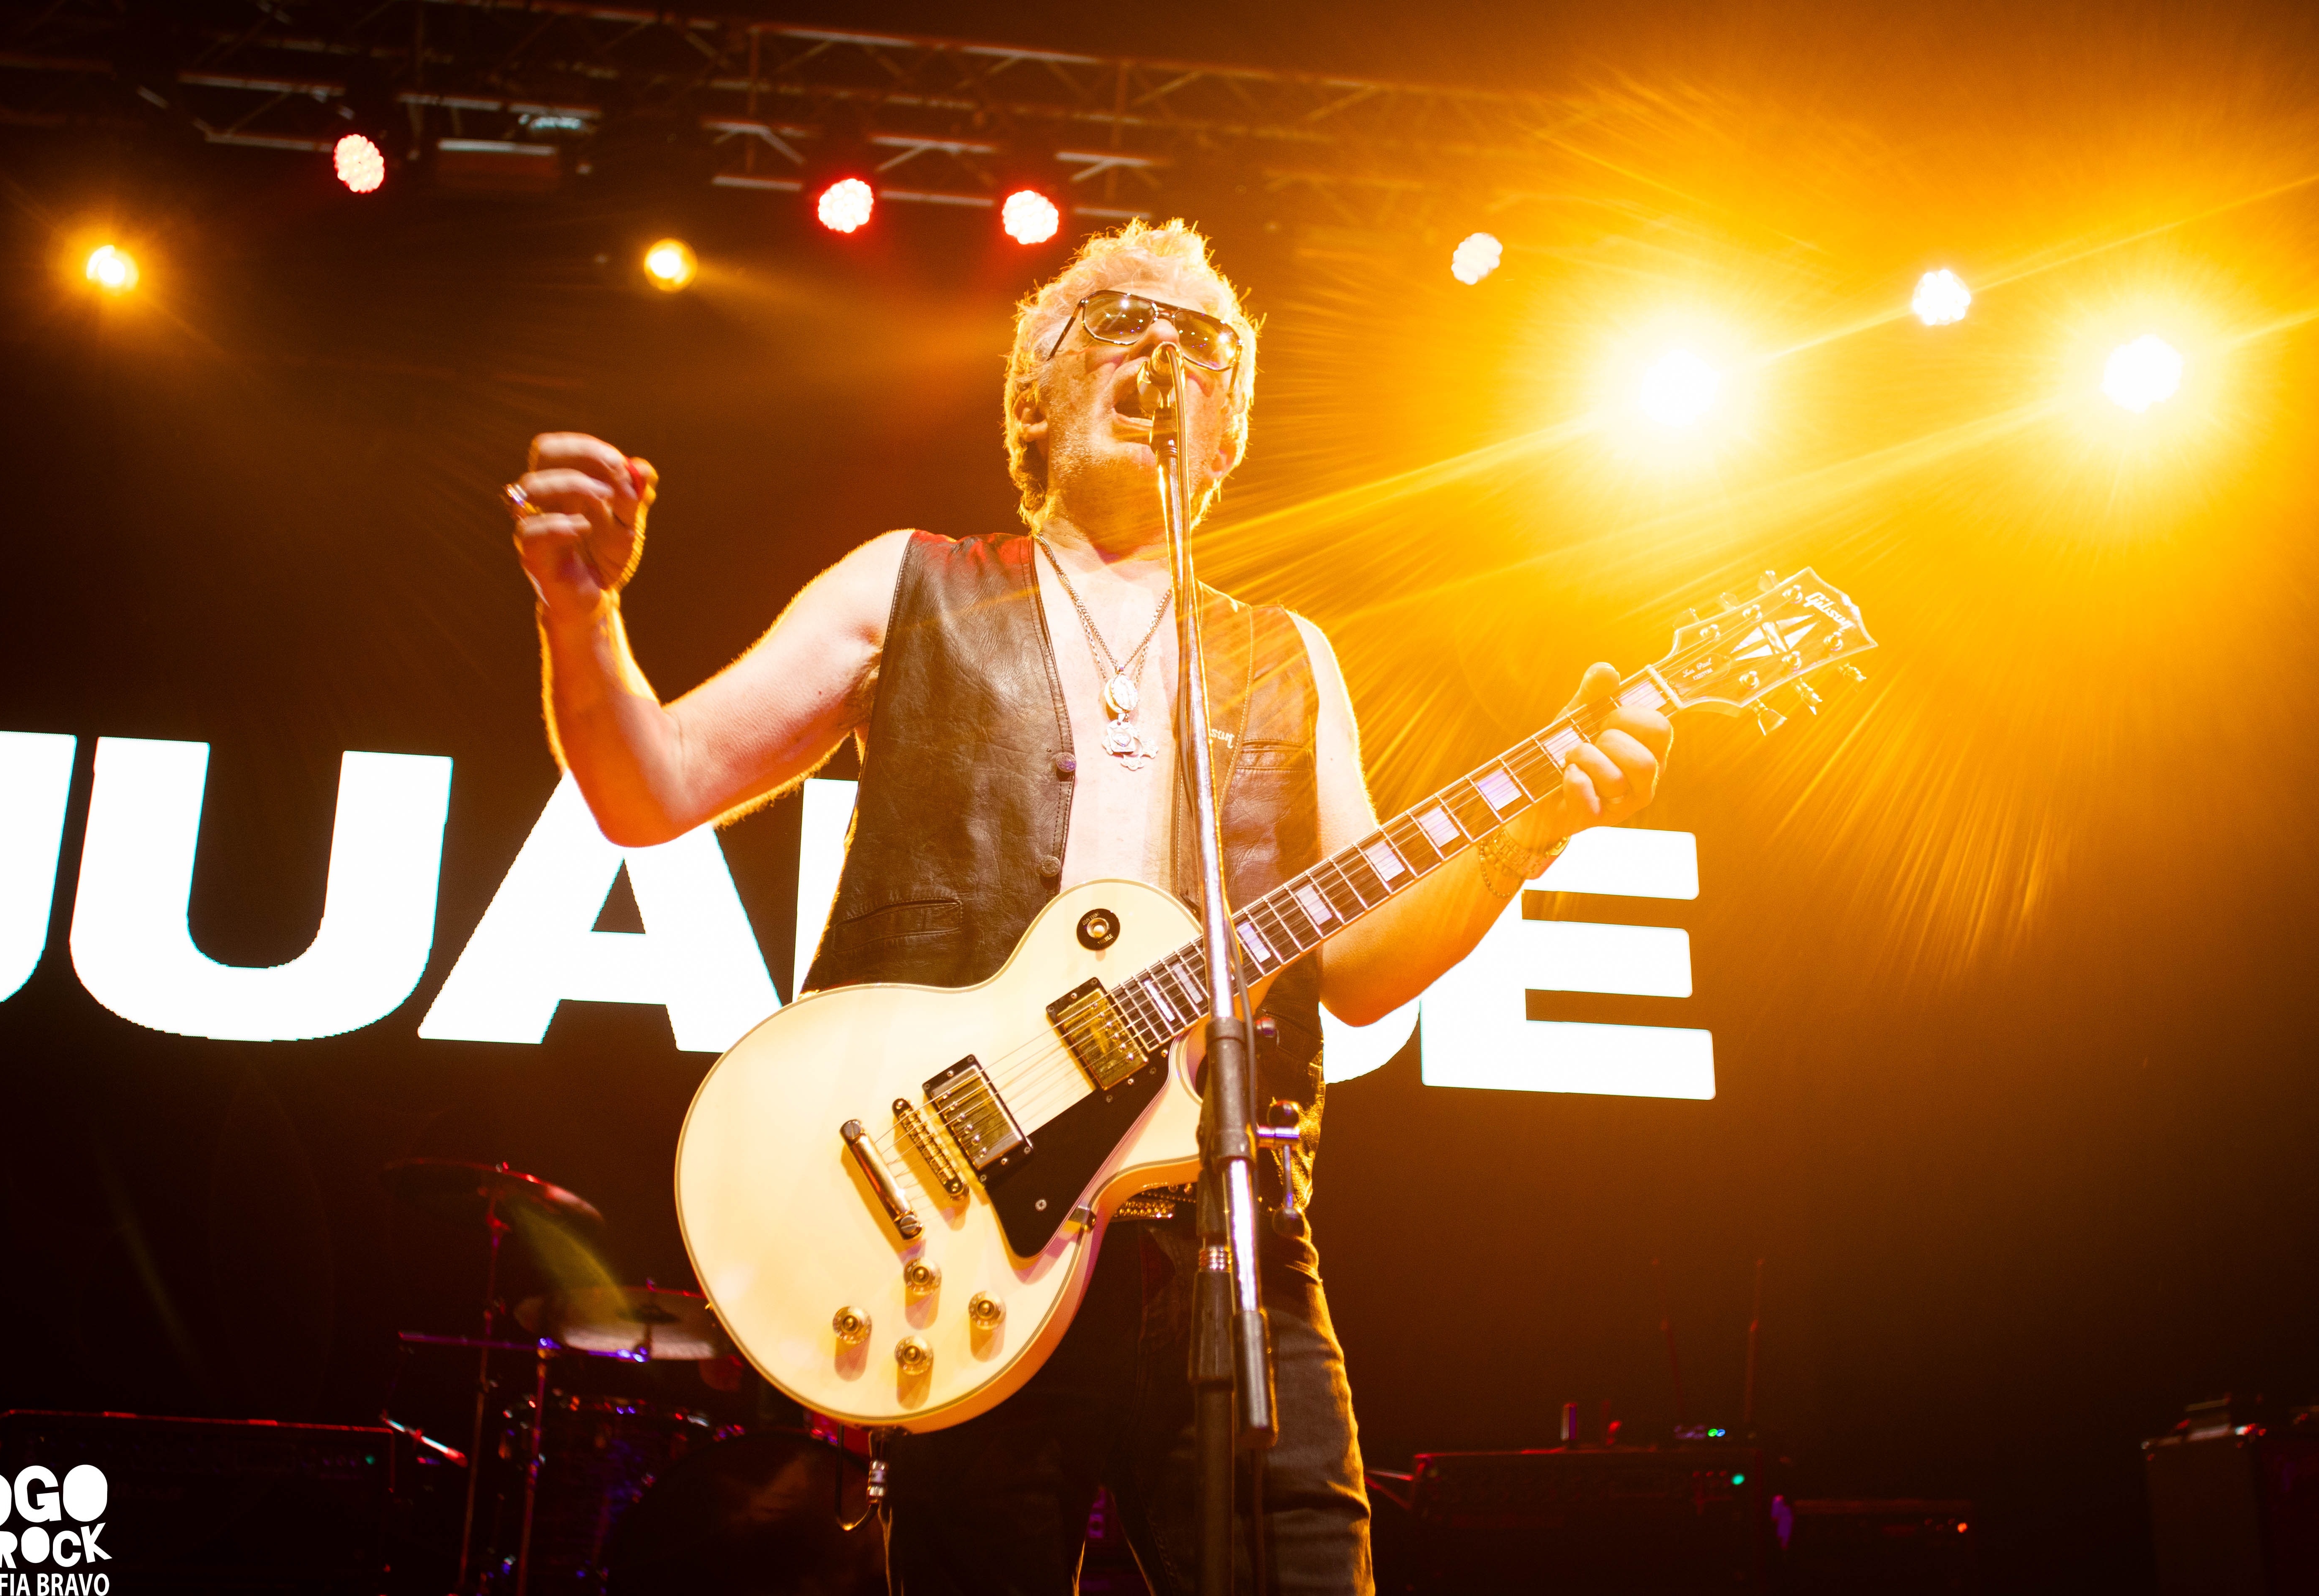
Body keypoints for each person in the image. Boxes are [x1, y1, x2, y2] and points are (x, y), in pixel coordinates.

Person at [505, 219, 1671, 1595]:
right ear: (1034, 400)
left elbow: (1355, 969)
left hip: (1226, 1234)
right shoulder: (912, 583)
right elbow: (656, 786)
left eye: (1199, 345)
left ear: (1227, 429)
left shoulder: (1286, 660)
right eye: (1115, 324)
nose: (1158, 352)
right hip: (956, 1231)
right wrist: (580, 613)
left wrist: (1530, 826)